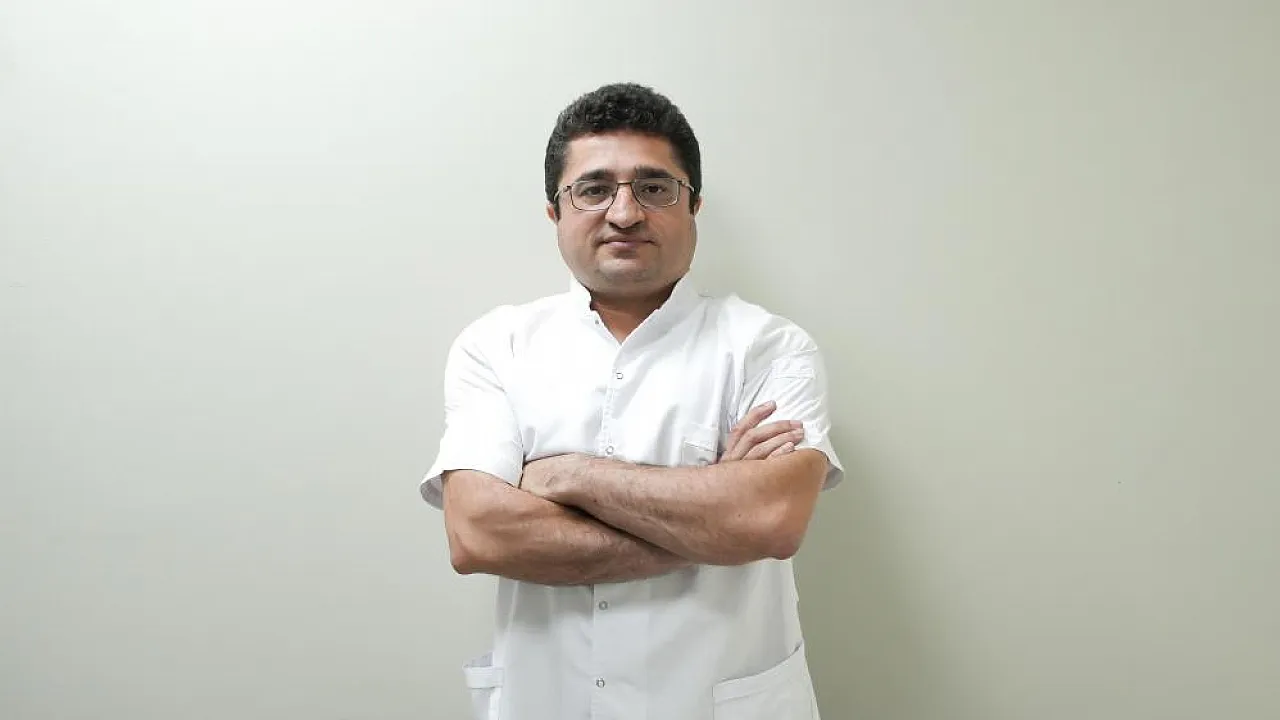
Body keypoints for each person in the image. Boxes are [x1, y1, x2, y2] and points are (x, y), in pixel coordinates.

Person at [420, 83, 843, 720]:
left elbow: (769, 521)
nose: (624, 213)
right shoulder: (496, 345)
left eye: (653, 187)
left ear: (693, 205)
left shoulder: (769, 347)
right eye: (593, 190)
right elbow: (478, 533)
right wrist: (713, 522)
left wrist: (565, 475)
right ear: (554, 212)